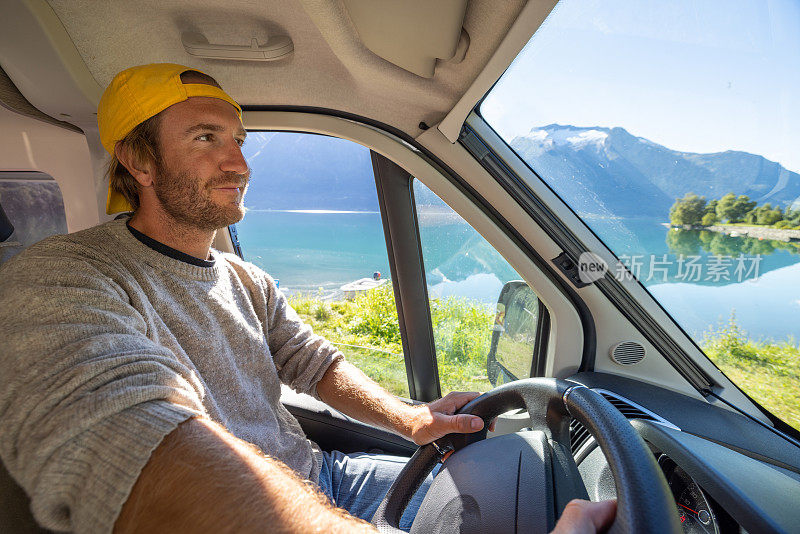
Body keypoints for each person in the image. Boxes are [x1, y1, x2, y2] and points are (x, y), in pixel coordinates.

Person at [0, 63, 615, 533]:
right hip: (252, 509)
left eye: (239, 141)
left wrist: (410, 419)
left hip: (324, 473)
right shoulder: (65, 275)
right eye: (206, 138)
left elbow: (314, 362)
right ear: (137, 160)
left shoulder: (246, 280)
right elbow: (119, 433)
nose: (237, 162)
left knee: (524, 488)